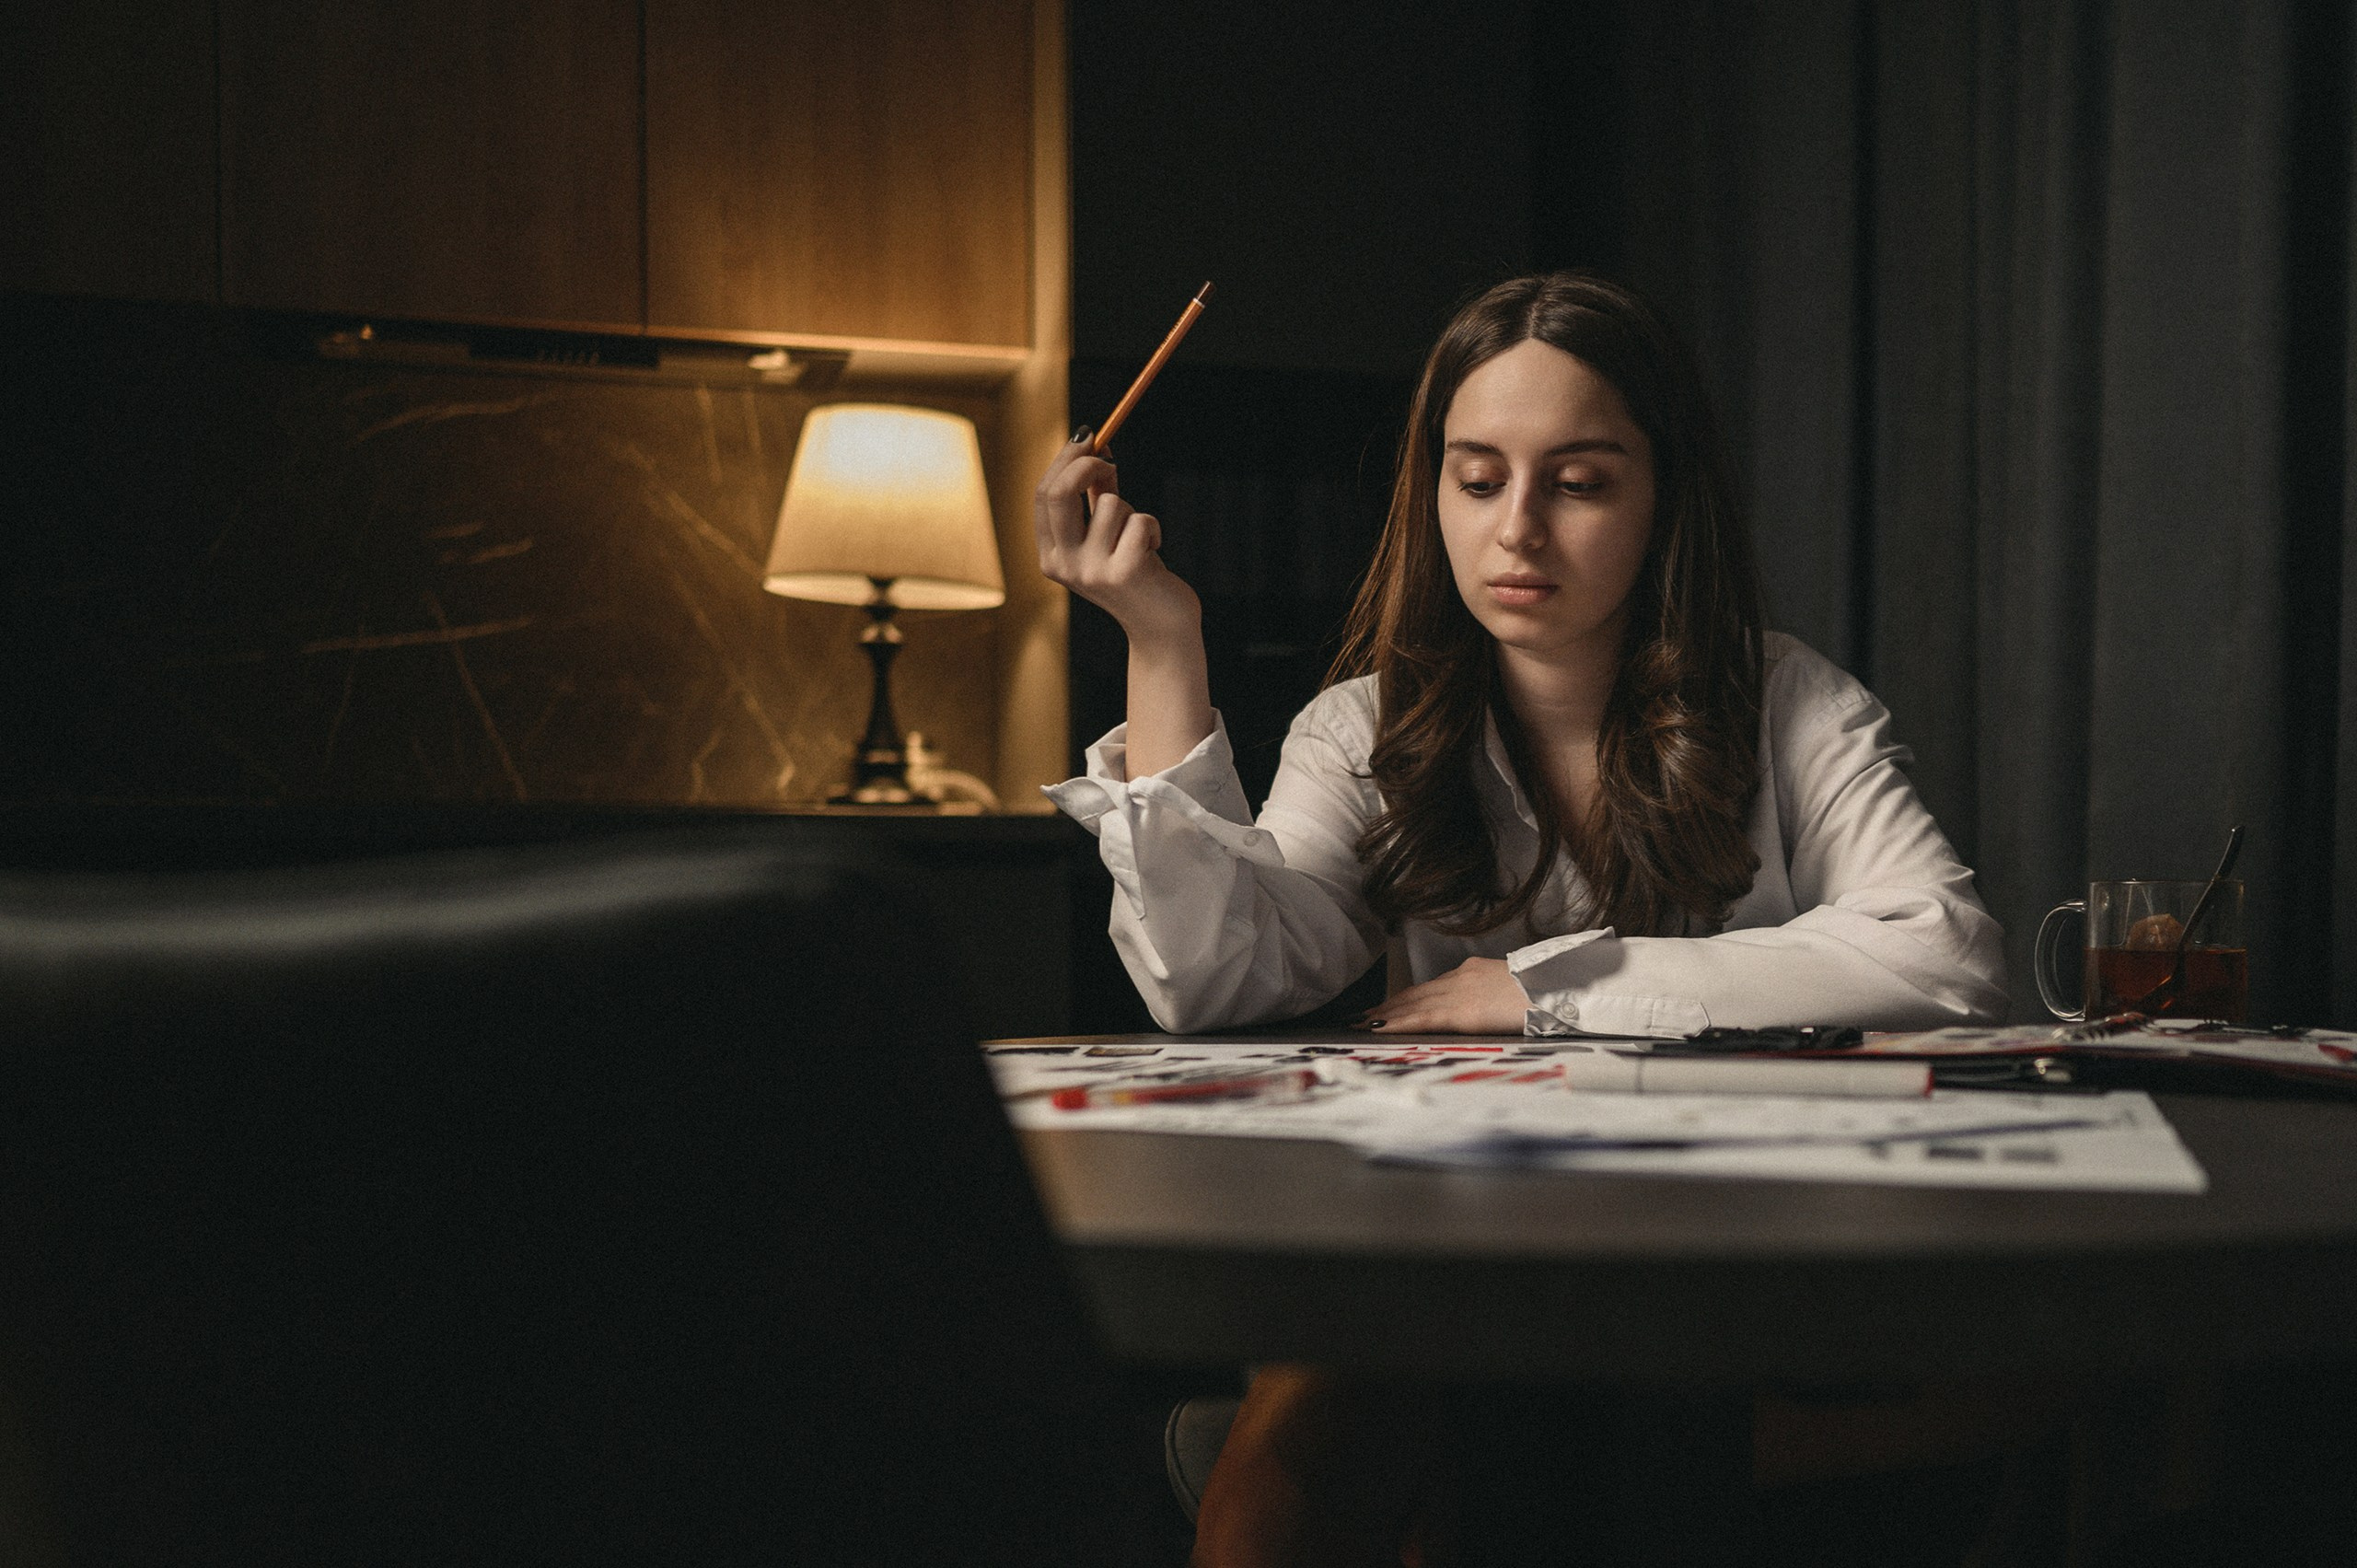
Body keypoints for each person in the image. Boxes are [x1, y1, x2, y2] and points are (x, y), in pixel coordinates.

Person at [1035, 272, 2005, 1042]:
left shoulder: (1786, 699)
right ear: (1437, 493)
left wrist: (1549, 988)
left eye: (1577, 483)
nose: (1517, 529)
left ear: (1664, 498)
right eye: (1480, 479)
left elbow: (1942, 960)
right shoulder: (1361, 728)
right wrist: (1161, 640)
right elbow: (1215, 980)